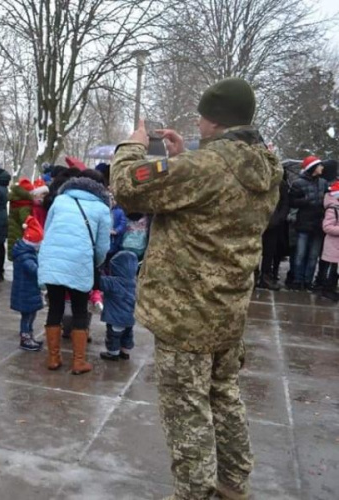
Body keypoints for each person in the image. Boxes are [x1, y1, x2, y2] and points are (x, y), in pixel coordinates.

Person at [111, 77, 281, 500]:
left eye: (202, 116)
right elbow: (215, 201)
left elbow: (127, 187)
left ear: (215, 120)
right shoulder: (263, 167)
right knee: (224, 396)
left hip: (186, 312)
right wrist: (182, 159)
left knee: (186, 410)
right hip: (228, 309)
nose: (198, 123)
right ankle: (233, 483)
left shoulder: (205, 168)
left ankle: (194, 494)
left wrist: (132, 146)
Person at [38, 175, 111, 375]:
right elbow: (103, 247)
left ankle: (53, 358)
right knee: (80, 310)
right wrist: (94, 263)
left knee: (55, 307)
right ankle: (78, 362)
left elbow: (48, 229)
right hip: (80, 261)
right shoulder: (102, 209)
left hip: (52, 259)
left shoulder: (60, 200)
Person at [288, 156, 328, 291]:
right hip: (303, 224)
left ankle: (307, 281)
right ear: (313, 167)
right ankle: (297, 280)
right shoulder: (298, 183)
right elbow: (292, 202)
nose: (322, 168)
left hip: (318, 225)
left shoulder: (323, 183)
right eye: (320, 165)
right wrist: (306, 200)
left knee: (313, 256)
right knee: (300, 254)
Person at [10, 216, 44, 351]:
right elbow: (34, 270)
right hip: (26, 292)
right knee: (27, 316)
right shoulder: (25, 256)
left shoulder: (27, 253)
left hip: (28, 290)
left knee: (31, 314)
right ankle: (25, 338)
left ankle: (29, 335)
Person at [98, 251, 137, 361]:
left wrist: (99, 269)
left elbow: (99, 282)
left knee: (113, 335)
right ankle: (125, 351)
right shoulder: (135, 282)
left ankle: (113, 353)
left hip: (115, 318)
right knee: (127, 335)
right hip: (130, 318)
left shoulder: (113, 282)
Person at [257, 172, 290, 290]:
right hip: (257, 222)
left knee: (269, 252)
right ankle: (253, 275)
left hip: (274, 224)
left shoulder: (281, 183)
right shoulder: (257, 179)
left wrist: (279, 218)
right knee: (254, 250)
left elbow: (285, 203)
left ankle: (265, 277)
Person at [319, 181, 339, 302]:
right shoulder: (333, 208)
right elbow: (327, 227)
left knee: (335, 269)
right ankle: (326, 290)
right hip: (333, 244)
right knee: (331, 268)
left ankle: (331, 289)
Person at [7, 178, 35, 261]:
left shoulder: (16, 200)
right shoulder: (25, 205)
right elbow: (26, 221)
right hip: (20, 234)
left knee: (15, 254)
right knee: (20, 258)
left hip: (13, 231)